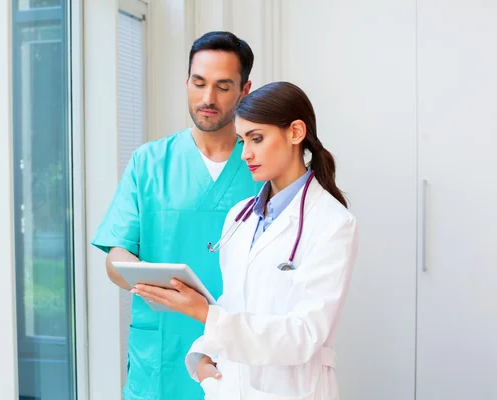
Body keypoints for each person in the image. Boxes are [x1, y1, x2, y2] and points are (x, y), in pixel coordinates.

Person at [132, 81, 359, 400]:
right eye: (242, 140)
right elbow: (234, 305)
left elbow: (304, 335)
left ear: (295, 132)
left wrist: (205, 315)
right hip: (227, 386)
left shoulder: (333, 223)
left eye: (257, 138)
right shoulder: (241, 215)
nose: (246, 153)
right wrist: (200, 358)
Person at [91, 31, 262, 400]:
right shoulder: (149, 162)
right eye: (198, 83)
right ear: (186, 81)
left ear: (245, 90)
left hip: (236, 352)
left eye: (222, 86)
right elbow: (114, 256)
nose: (207, 99)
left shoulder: (261, 167)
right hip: (160, 357)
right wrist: (151, 281)